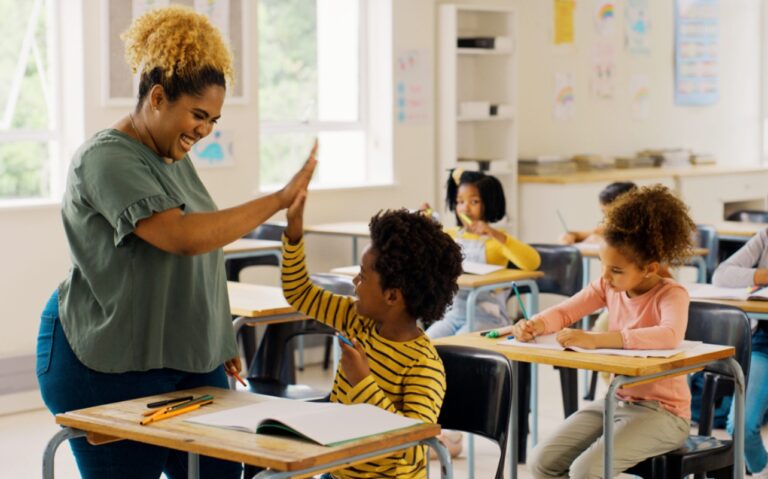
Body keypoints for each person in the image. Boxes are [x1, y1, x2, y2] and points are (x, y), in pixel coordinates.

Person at [35, 6, 315, 479]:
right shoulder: (105, 159)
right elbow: (182, 238)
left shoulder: (170, 154)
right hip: (104, 361)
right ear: (158, 97)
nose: (204, 130)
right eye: (198, 115)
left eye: (214, 120)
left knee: (221, 473)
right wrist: (278, 200)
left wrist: (216, 334)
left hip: (183, 355)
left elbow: (205, 244)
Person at [512, 185, 696, 478]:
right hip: (618, 400)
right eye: (603, 266)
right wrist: (535, 324)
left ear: (649, 268)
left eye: (616, 270)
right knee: (540, 463)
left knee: (586, 470)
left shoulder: (671, 294)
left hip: (665, 414)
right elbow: (565, 311)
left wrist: (595, 340)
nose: (605, 277)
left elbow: (668, 335)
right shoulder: (607, 286)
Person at [281, 190, 463, 479]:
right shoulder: (356, 319)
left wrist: (362, 382)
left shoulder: (423, 365)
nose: (354, 281)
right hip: (337, 473)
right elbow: (299, 293)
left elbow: (412, 446)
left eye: (363, 276)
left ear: (392, 296)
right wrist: (293, 236)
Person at [424, 169, 541, 338]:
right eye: (460, 201)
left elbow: (533, 262)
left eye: (474, 202)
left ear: (488, 204)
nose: (465, 208)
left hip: (489, 317)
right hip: (454, 314)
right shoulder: (451, 235)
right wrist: (426, 221)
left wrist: (496, 234)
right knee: (428, 342)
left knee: (458, 345)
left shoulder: (496, 240)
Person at [712, 227, 768, 477]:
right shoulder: (766, 236)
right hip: (764, 342)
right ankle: (762, 469)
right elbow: (722, 275)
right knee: (741, 425)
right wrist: (762, 275)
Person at [559, 181, 637, 245]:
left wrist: (604, 242)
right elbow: (588, 233)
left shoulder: (640, 233)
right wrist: (571, 235)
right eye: (604, 213)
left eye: (612, 215)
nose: (607, 220)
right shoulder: (610, 229)